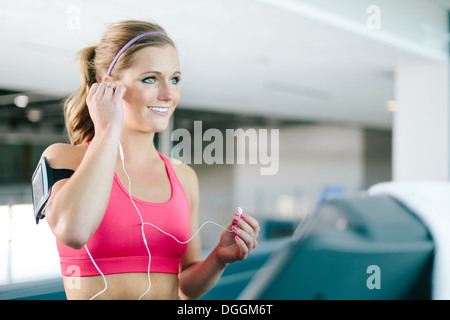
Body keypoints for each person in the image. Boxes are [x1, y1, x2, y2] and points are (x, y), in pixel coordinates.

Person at [42, 20, 260, 300]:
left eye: (175, 79)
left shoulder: (184, 177)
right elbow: (73, 231)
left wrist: (219, 258)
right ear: (110, 87)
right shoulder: (63, 158)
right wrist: (107, 129)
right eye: (150, 79)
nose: (168, 94)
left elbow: (186, 287)